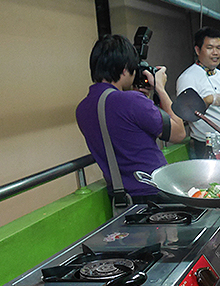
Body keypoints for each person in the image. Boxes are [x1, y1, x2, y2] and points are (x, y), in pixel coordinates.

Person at [76, 34, 186, 206]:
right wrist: (160, 88)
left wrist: (144, 98)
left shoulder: (82, 108)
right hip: (155, 195)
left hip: (120, 200)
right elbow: (179, 133)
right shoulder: (131, 101)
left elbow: (126, 132)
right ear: (125, 69)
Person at [176, 26, 220, 158]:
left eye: (219, 48)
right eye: (210, 48)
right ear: (197, 50)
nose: (215, 52)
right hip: (206, 146)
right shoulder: (188, 77)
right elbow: (185, 113)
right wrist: (210, 99)